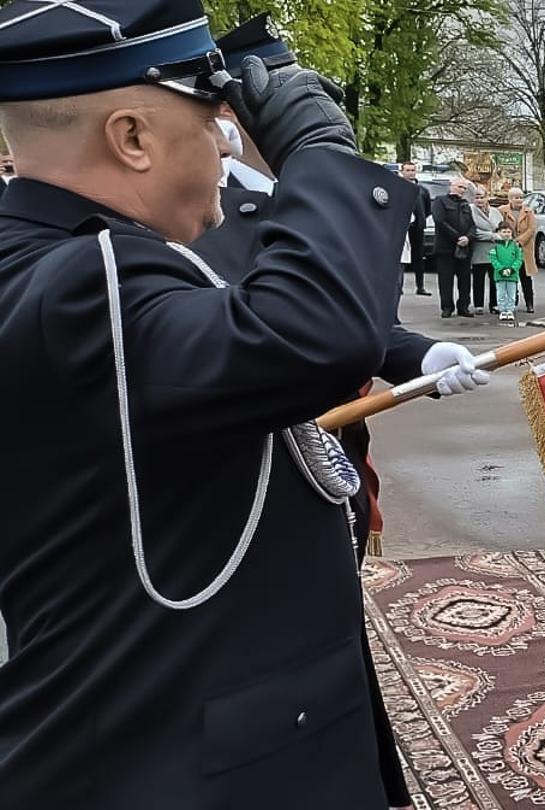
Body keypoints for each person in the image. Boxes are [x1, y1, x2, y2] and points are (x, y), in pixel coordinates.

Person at [0, 1, 461, 804]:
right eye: (210, 117)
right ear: (132, 138)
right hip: (178, 761)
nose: (225, 144)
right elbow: (311, 333)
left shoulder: (48, 259)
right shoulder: (85, 280)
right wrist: (319, 150)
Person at [432, 175, 476, 317]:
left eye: (464, 188)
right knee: (446, 280)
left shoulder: (465, 204)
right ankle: (447, 307)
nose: (462, 190)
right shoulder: (440, 201)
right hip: (445, 248)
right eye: (460, 187)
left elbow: (472, 225)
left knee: (465, 280)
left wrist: (468, 237)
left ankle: (463, 307)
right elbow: (440, 221)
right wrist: (457, 237)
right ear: (451, 186)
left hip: (464, 248)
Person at [501, 187, 539, 309]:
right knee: (511, 276)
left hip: (524, 248)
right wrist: (509, 241)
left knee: (526, 277)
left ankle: (529, 303)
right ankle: (513, 301)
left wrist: (519, 241)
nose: (519, 200)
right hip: (508, 248)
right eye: (516, 198)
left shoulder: (529, 212)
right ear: (510, 199)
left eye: (521, 197)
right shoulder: (502, 211)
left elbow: (531, 229)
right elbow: (500, 227)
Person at [469, 182, 502, 313]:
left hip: (495, 251)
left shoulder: (495, 211)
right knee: (478, 279)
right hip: (479, 250)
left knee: (495, 279)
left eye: (482, 197)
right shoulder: (470, 210)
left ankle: (494, 304)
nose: (479, 200)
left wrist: (499, 235)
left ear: (487, 197)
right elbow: (473, 231)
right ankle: (478, 305)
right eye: (476, 197)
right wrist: (493, 235)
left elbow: (501, 228)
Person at [402, 161, 432, 296]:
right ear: (402, 172)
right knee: (400, 257)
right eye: (407, 170)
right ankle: (398, 286)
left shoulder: (422, 190)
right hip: (402, 227)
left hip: (417, 227)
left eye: (412, 170)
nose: (410, 173)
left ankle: (420, 286)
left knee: (418, 256)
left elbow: (427, 210)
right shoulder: (397, 188)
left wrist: (420, 219)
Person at [491, 225, 524, 322]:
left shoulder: (515, 246)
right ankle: (502, 310)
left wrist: (512, 269)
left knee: (511, 294)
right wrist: (501, 269)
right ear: (499, 233)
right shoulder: (495, 246)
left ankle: (510, 310)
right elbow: (493, 259)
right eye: (504, 232)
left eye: (508, 232)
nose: (506, 234)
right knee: (501, 294)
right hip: (499, 275)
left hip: (512, 275)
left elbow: (519, 259)